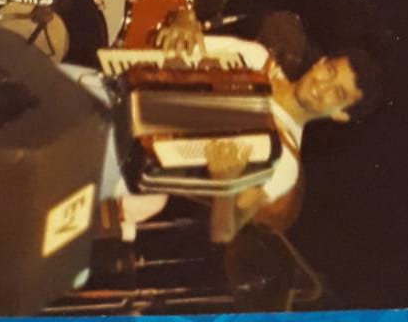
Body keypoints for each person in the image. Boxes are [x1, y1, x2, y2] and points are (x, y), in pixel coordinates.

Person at [65, 18, 380, 241]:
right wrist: (183, 22)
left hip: (116, 159)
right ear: (320, 62)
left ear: (340, 115)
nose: (323, 86)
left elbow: (224, 230)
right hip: (100, 91)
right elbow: (174, 50)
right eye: (330, 71)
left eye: (338, 94)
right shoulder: (255, 58)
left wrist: (226, 182)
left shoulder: (284, 163)